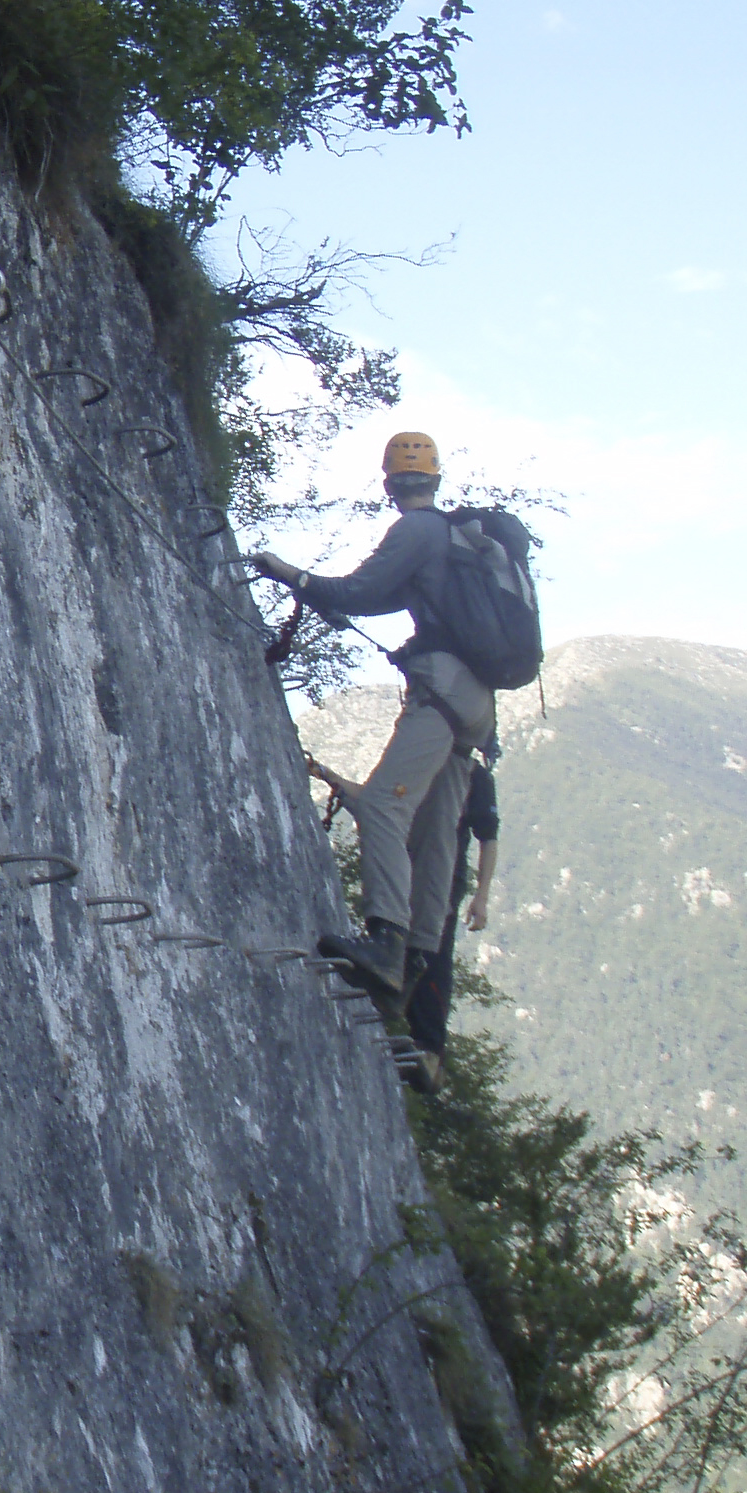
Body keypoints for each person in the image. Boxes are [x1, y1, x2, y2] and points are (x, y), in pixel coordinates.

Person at [249, 429, 494, 1004]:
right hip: (479, 706)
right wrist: (328, 597)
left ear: (389, 481)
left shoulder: (416, 530)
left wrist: (291, 575)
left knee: (384, 804)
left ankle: (387, 940)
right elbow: (381, 596)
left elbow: (361, 590)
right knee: (437, 838)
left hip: (442, 690)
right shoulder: (457, 542)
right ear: (436, 477)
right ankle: (416, 963)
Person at [305, 742, 498, 1093]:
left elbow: (488, 837)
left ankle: (430, 1048)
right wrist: (328, 776)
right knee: (412, 945)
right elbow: (376, 803)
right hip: (406, 863)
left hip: (441, 873)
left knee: (431, 952)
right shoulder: (423, 759)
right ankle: (405, 1013)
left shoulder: (473, 776)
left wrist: (481, 895)